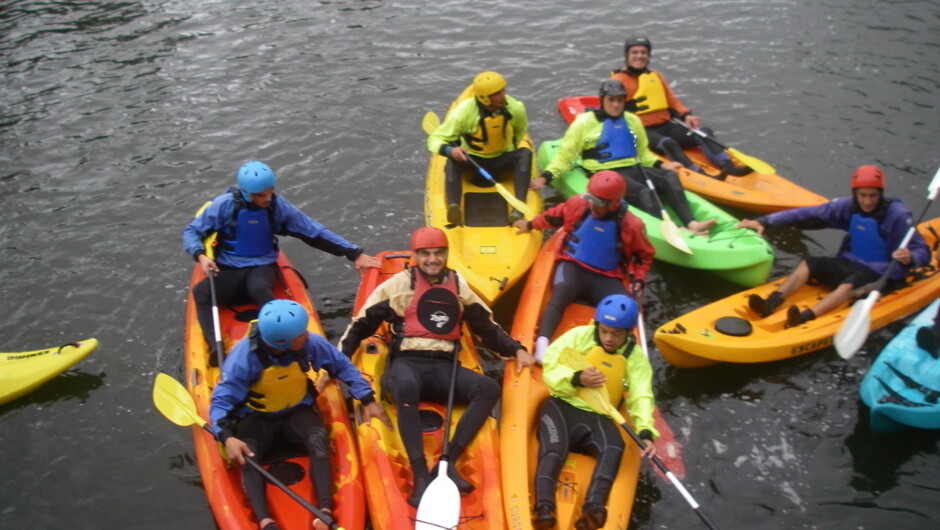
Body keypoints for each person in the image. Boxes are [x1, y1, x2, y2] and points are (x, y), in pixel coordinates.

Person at [338, 227, 537, 507]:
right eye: (425, 254)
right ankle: (420, 474)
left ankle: (448, 462)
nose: (432, 259)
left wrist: (517, 350)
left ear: (446, 253)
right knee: (406, 385)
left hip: (444, 367)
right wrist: (337, 363)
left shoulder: (458, 286)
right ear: (416, 255)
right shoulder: (398, 285)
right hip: (407, 364)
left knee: (488, 388)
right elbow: (361, 325)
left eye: (438, 253)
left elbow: (486, 327)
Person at [210, 299, 392, 530]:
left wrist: (367, 399)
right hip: (257, 418)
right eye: (301, 334)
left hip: (296, 412)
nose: (307, 335)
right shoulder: (243, 358)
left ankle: (324, 512)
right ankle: (265, 521)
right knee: (248, 455)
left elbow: (341, 365)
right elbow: (221, 402)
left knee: (318, 438)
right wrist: (227, 437)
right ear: (281, 342)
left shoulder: (308, 343)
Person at [183, 161, 380, 361]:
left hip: (260, 267)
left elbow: (312, 231)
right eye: (261, 195)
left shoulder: (276, 206)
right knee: (201, 292)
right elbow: (192, 231)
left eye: (270, 192)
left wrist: (354, 253)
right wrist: (200, 255)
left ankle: (286, 340)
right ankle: (215, 348)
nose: (268, 198)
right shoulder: (224, 205)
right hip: (229, 268)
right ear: (246, 193)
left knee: (259, 288)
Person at [739, 165, 931, 328]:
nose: (867, 201)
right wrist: (766, 221)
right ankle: (771, 303)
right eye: (863, 195)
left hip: (879, 271)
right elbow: (807, 214)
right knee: (808, 263)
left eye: (873, 195)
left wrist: (911, 257)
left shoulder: (897, 216)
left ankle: (804, 318)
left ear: (880, 193)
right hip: (848, 261)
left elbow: (922, 251)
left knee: (849, 283)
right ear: (855, 194)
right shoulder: (847, 207)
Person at [532, 294, 658, 530]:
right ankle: (544, 509)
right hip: (562, 406)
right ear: (598, 325)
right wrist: (577, 378)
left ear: (628, 332)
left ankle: (593, 510)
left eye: (616, 334)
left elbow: (641, 394)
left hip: (599, 415)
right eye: (604, 331)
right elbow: (551, 364)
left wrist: (645, 431)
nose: (608, 338)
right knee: (554, 450)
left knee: (614, 447)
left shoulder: (635, 358)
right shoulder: (580, 336)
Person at [535, 79, 716, 235]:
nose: (616, 105)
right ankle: (671, 230)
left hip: (633, 168)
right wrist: (545, 177)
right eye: (611, 100)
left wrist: (662, 165)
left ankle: (691, 223)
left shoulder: (632, 120)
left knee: (670, 176)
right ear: (602, 100)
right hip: (605, 174)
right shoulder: (584, 122)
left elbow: (643, 154)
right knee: (644, 192)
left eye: (620, 100)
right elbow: (566, 155)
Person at [514, 170, 655, 361]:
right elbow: (553, 217)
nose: (593, 206)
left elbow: (644, 257)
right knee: (562, 290)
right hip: (572, 265)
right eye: (590, 199)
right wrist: (530, 225)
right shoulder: (578, 204)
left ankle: (616, 359)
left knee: (622, 309)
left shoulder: (632, 225)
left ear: (614, 204)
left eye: (599, 203)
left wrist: (639, 279)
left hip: (607, 276)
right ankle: (542, 346)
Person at [610, 35, 751, 179]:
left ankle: (729, 167)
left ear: (649, 56)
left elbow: (672, 102)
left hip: (665, 126)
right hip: (642, 130)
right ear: (627, 55)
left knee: (703, 133)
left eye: (643, 52)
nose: (639, 56)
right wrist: (627, 108)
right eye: (634, 52)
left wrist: (686, 115)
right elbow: (610, 110)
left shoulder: (655, 76)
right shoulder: (619, 80)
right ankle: (701, 176)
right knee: (669, 143)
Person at [427, 71, 533, 225]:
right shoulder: (464, 112)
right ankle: (453, 206)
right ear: (484, 98)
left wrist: (511, 151)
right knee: (451, 161)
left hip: (502, 160)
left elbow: (519, 133)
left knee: (525, 154)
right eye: (497, 94)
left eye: (503, 90)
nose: (503, 96)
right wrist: (451, 150)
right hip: (473, 162)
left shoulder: (515, 108)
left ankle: (519, 207)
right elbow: (434, 140)